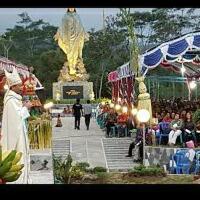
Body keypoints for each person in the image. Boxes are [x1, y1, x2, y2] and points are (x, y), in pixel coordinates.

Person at [0, 67, 32, 184]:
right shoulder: (10, 101)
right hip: (16, 136)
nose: (21, 87)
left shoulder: (14, 99)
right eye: (18, 85)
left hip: (20, 133)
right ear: (13, 87)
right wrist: (26, 108)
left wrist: (23, 107)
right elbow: (16, 120)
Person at [54, 8, 89, 75]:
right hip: (68, 38)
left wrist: (84, 33)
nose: (71, 8)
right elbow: (61, 26)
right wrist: (58, 33)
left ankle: (74, 68)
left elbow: (80, 26)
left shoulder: (77, 16)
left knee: (75, 53)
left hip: (76, 37)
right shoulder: (65, 16)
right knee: (69, 54)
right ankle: (71, 68)